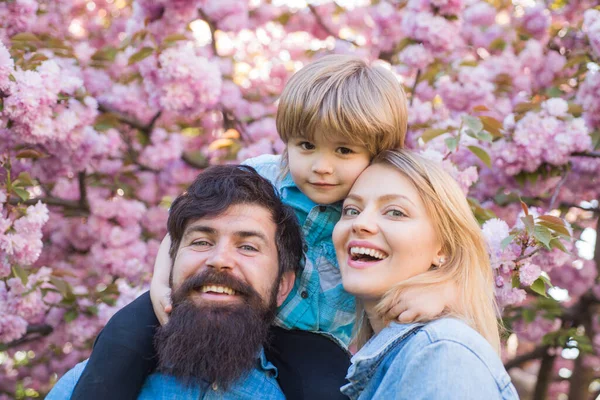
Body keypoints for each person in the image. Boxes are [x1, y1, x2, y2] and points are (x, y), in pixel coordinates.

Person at [70, 55, 454, 399]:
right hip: (219, 299)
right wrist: (160, 281)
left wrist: (436, 293)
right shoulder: (262, 175)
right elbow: (186, 222)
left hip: (310, 335)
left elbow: (430, 251)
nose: (321, 166)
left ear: (378, 151)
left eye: (343, 151)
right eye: (306, 146)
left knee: (327, 387)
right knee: (121, 340)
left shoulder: (376, 207)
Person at [48, 165, 348, 399]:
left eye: (247, 247)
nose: (219, 260)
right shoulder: (87, 385)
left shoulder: (319, 387)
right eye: (202, 241)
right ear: (170, 263)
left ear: (283, 286)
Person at [333, 150, 519, 399]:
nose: (360, 222)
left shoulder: (442, 352)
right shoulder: (399, 359)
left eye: (395, 212)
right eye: (352, 210)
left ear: (442, 248)